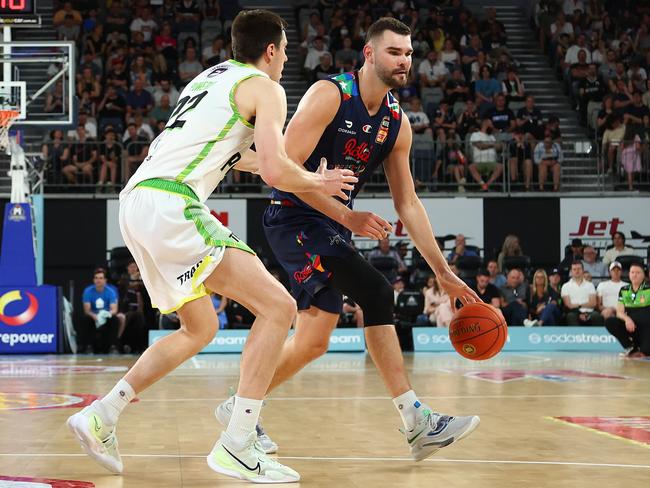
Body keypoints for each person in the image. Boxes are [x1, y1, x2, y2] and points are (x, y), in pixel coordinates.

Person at [66, 10, 356, 484]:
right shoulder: (267, 88)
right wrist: (316, 179)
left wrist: (287, 167)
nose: (285, 58)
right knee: (279, 308)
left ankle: (102, 414)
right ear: (270, 50)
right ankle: (238, 443)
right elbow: (281, 173)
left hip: (136, 202)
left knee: (199, 327)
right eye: (284, 50)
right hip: (172, 201)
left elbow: (244, 156)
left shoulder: (211, 78)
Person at [217, 18, 482, 463]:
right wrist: (348, 215)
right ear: (370, 54)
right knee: (378, 291)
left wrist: (444, 272)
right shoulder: (330, 95)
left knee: (315, 340)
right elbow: (280, 171)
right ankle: (416, 422)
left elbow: (409, 203)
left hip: (332, 226)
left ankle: (237, 405)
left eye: (410, 53)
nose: (404, 61)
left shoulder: (397, 122)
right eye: (395, 52)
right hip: (292, 216)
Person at [605, 263, 650, 358]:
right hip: (631, 327)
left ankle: (641, 349)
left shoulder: (648, 289)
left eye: (638, 272)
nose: (635, 275)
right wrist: (627, 319)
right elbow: (619, 312)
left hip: (647, 329)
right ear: (629, 274)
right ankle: (630, 347)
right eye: (632, 272)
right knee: (610, 321)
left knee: (645, 353)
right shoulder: (624, 290)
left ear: (643, 275)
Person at [80, 268, 120, 354]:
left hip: (106, 316)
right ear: (94, 280)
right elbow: (87, 310)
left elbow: (114, 309)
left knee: (115, 319)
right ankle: (88, 346)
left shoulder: (111, 292)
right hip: (93, 316)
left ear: (105, 280)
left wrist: (106, 314)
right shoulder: (88, 291)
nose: (98, 280)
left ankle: (113, 346)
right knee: (86, 319)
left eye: (101, 278)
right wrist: (95, 316)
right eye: (96, 278)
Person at [561, 261, 604, 325]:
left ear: (583, 270)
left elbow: (593, 303)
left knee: (597, 316)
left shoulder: (590, 285)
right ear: (571, 271)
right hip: (574, 312)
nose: (577, 271)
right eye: (574, 269)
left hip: (590, 312)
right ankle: (576, 335)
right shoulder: (565, 286)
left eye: (579, 269)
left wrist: (579, 305)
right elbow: (568, 305)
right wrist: (580, 312)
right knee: (570, 316)